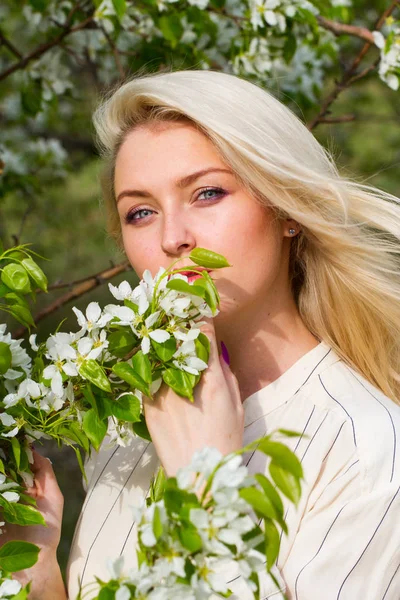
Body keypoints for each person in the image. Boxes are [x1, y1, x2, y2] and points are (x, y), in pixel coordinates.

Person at [5, 69, 400, 599]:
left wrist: (203, 484)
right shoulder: (129, 420)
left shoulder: (366, 447)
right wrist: (36, 573)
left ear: (286, 209)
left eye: (207, 193)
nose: (172, 238)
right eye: (140, 212)